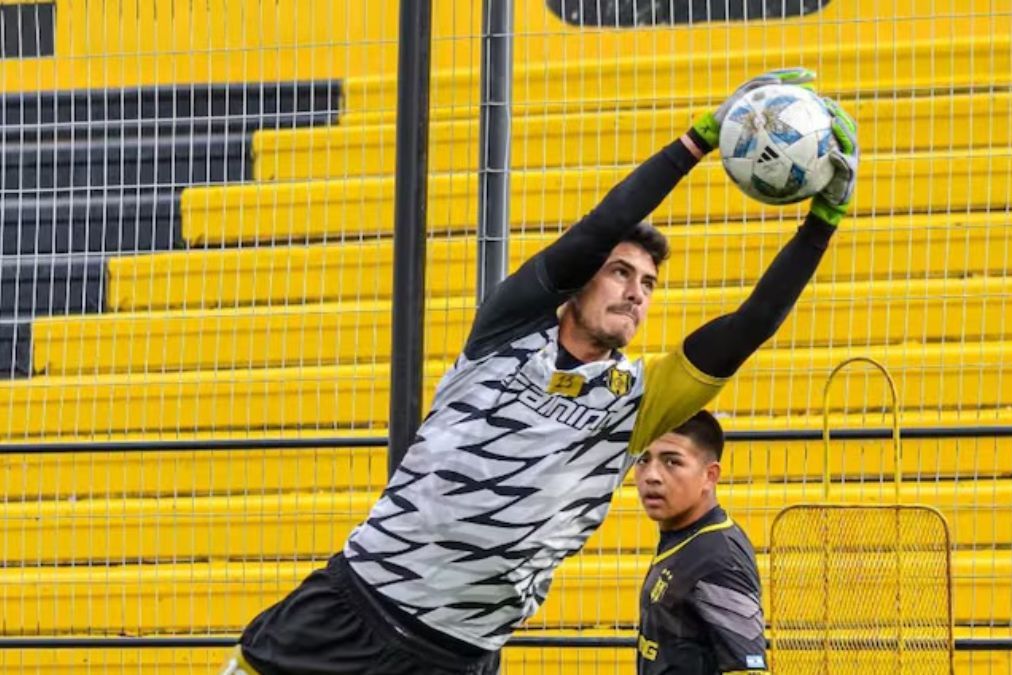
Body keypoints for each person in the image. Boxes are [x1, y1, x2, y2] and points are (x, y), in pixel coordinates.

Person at [223, 67, 858, 675]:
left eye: (648, 284)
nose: (635, 292)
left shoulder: (637, 402)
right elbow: (599, 228)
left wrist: (821, 223)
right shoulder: (507, 331)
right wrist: (699, 140)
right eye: (619, 272)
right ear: (580, 279)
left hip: (457, 657)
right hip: (349, 611)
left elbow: (751, 324)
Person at [634, 411, 768, 674]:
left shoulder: (719, 559)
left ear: (710, 475)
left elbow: (748, 668)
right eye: (643, 460)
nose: (651, 475)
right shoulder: (683, 537)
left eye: (671, 462)